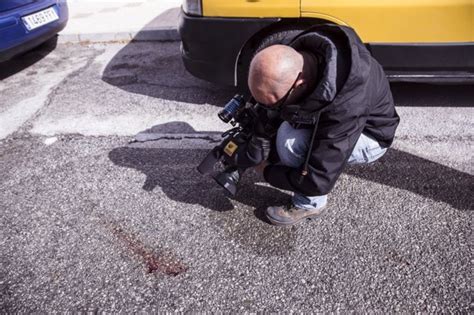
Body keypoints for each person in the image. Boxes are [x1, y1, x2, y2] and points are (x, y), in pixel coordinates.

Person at [247, 25, 400, 226]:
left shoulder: (347, 103)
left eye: (275, 102)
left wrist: (266, 170)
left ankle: (309, 204)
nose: (271, 107)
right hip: (337, 120)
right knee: (283, 126)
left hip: (370, 135)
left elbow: (318, 178)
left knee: (289, 141)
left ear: (299, 83)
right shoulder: (295, 51)